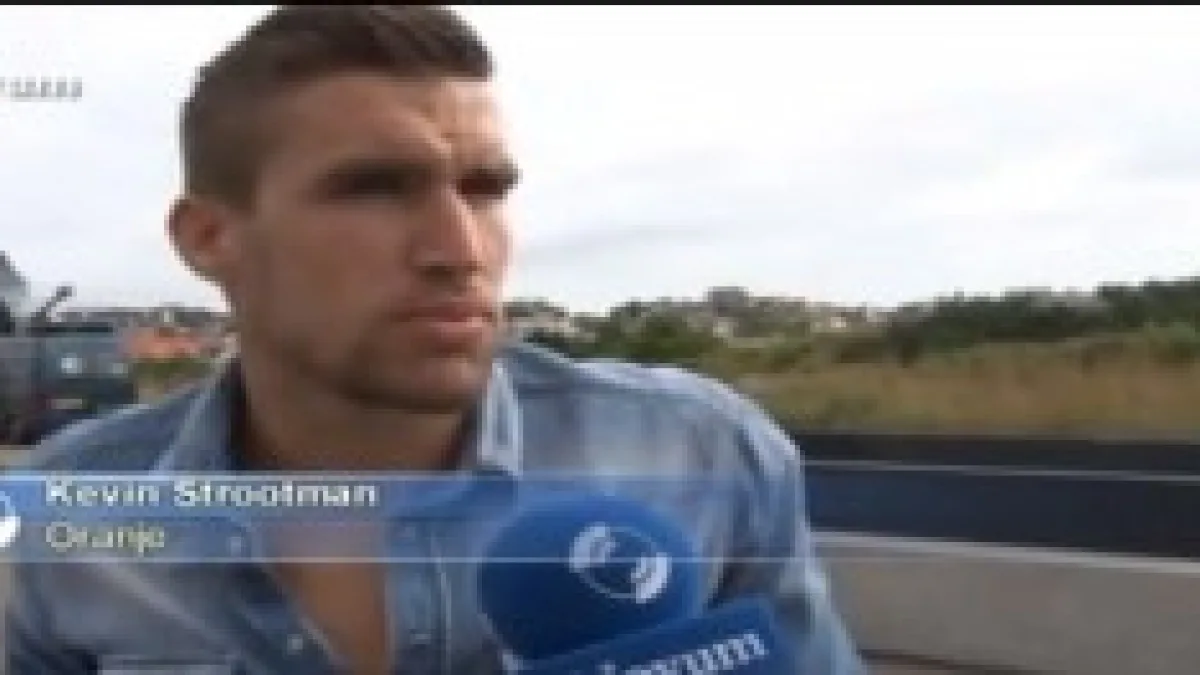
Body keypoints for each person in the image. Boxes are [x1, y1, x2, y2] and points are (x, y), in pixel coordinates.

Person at [6, 6, 865, 674]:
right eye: (376, 187)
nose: (459, 250)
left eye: (485, 188)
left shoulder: (700, 455)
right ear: (208, 238)